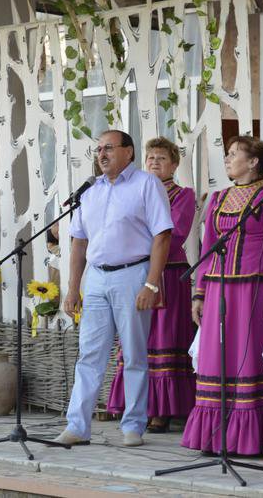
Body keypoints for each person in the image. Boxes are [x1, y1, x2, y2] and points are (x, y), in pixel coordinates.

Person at [54, 130, 173, 447]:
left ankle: (133, 425)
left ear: (129, 152)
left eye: (109, 148)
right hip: (96, 278)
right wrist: (72, 289)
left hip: (132, 274)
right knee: (89, 355)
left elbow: (162, 235)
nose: (102, 154)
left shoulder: (147, 184)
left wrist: (151, 282)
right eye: (98, 149)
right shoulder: (89, 191)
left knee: (133, 354)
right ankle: (78, 426)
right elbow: (78, 243)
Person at [182, 136, 263, 455]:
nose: (227, 159)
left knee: (246, 357)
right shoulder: (217, 198)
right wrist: (199, 293)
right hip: (218, 286)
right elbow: (207, 246)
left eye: (233, 154)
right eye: (226, 154)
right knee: (217, 356)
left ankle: (249, 437)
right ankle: (215, 434)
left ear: (254, 161)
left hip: (253, 287)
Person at [107, 137, 197, 433]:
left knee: (164, 338)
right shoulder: (135, 191)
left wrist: (137, 243)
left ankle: (162, 409)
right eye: (150, 158)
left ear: (173, 164)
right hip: (136, 272)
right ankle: (137, 404)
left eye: (161, 158)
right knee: (136, 338)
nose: (154, 162)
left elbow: (176, 232)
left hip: (169, 274)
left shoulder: (183, 195)